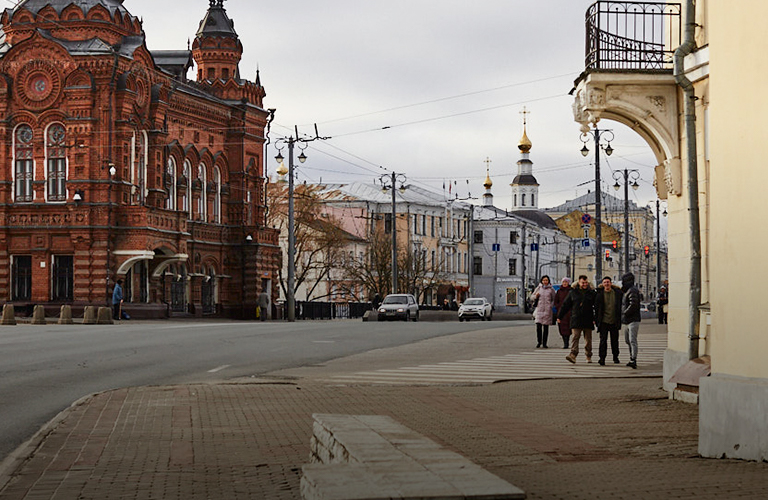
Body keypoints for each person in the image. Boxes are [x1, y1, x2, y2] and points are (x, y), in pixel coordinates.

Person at [558, 275, 597, 364]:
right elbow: (565, 305)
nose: (584, 284)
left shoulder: (592, 293)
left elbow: (596, 307)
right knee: (575, 337)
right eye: (583, 283)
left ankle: (588, 355)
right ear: (579, 282)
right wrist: (560, 316)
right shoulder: (573, 292)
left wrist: (595, 318)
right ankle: (573, 355)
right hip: (576, 318)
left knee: (588, 339)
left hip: (588, 318)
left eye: (586, 282)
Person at [595, 276, 623, 366]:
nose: (606, 284)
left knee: (614, 341)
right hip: (603, 321)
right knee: (603, 341)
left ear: (611, 283)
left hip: (614, 320)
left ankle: (616, 357)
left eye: (608, 282)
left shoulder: (617, 293)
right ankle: (602, 358)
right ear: (602, 284)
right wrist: (596, 319)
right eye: (605, 282)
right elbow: (596, 308)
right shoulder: (599, 294)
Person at [621, 272, 642, 369]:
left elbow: (633, 304)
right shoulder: (629, 290)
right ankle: (632, 358)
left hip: (633, 319)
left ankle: (633, 359)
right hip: (628, 320)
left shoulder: (632, 291)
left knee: (632, 340)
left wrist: (625, 313)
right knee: (628, 340)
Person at [531, 276, 556, 348]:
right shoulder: (538, 288)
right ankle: (539, 341)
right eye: (544, 280)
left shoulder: (551, 289)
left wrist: (550, 306)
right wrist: (536, 296)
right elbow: (532, 297)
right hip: (539, 309)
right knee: (538, 326)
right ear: (541, 281)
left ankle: (544, 343)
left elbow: (553, 299)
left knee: (546, 327)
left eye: (546, 280)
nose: (545, 281)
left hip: (547, 310)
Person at [553, 277, 572, 349]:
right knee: (562, 327)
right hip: (561, 312)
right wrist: (558, 307)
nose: (565, 283)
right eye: (564, 282)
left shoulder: (571, 291)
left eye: (566, 282)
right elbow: (556, 301)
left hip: (569, 312)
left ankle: (567, 342)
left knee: (568, 327)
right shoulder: (559, 291)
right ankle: (565, 342)